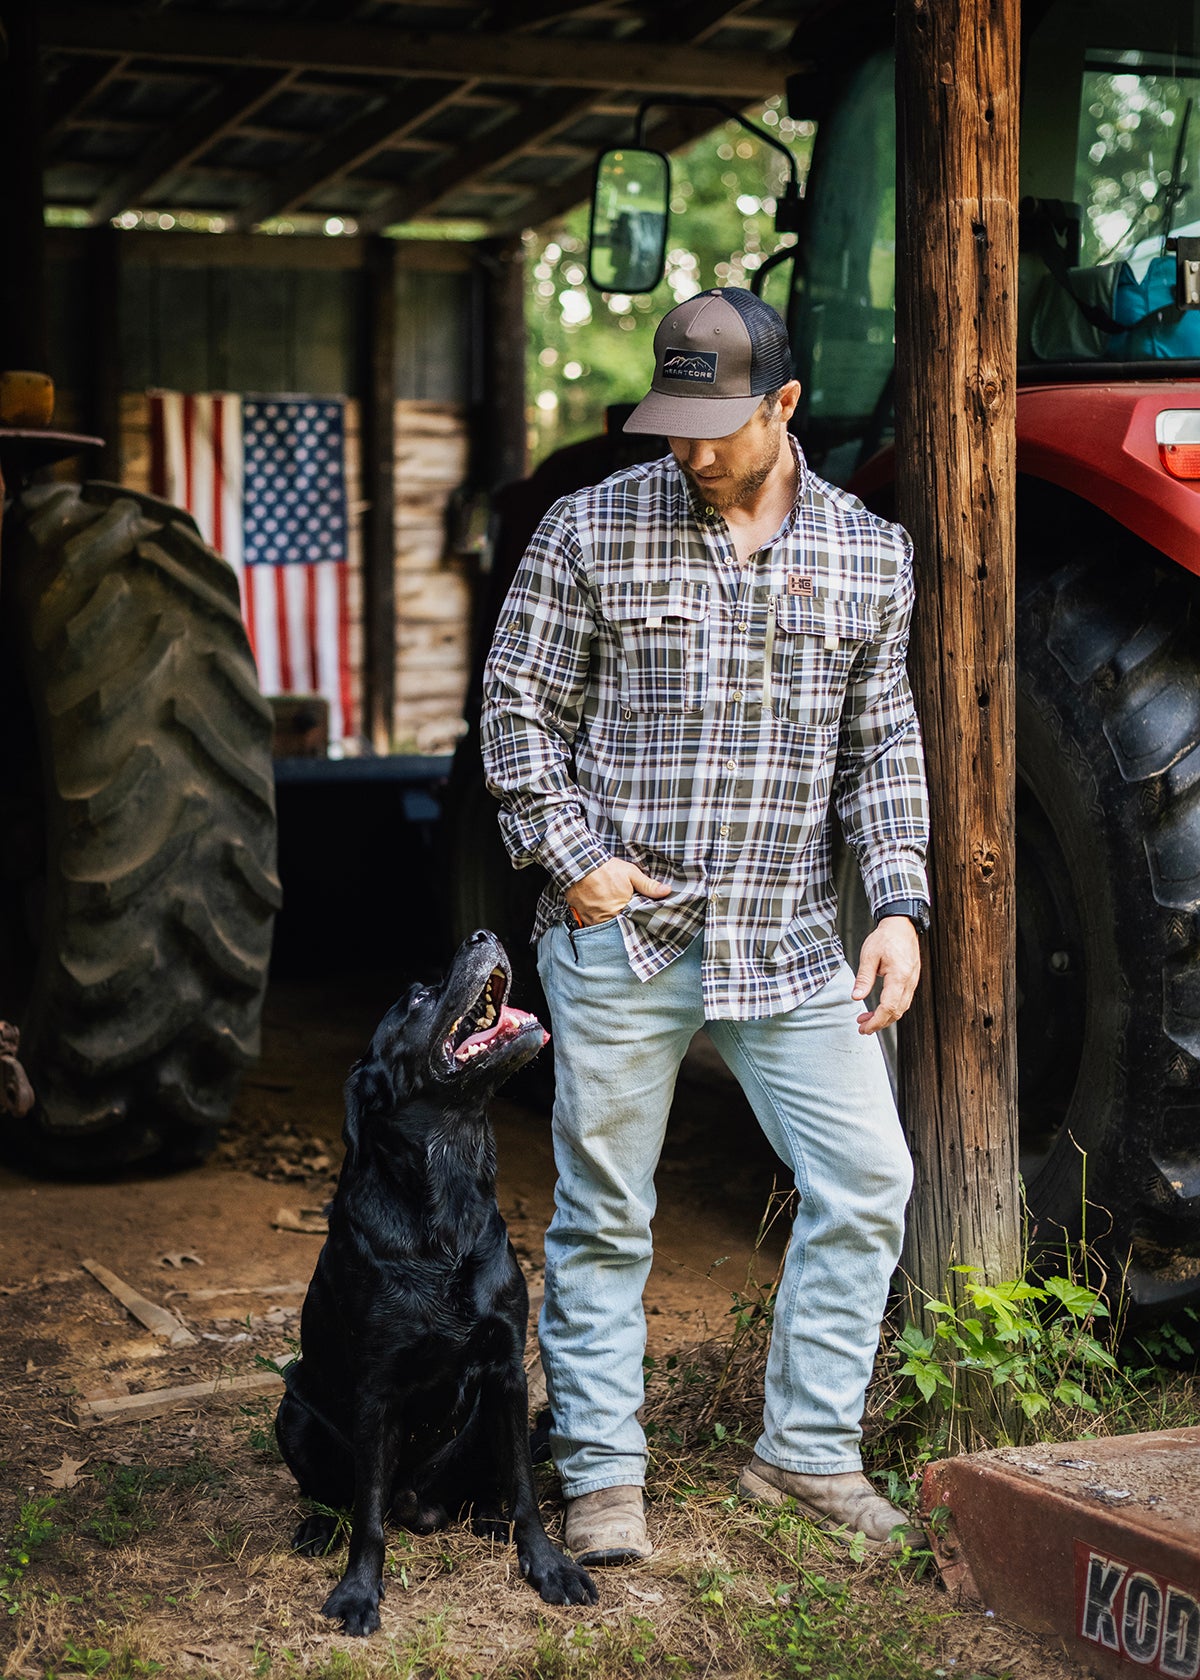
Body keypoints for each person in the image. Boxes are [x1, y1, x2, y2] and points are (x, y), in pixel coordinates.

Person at [481, 287, 930, 1566]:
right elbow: (517, 717)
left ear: (785, 406)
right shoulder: (587, 531)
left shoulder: (867, 555)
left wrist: (895, 901)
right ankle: (603, 1475)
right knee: (607, 1210)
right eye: (670, 422)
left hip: (785, 941)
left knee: (869, 1182)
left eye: (715, 426)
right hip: (627, 937)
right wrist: (576, 864)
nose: (686, 450)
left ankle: (804, 1454)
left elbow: (881, 749)